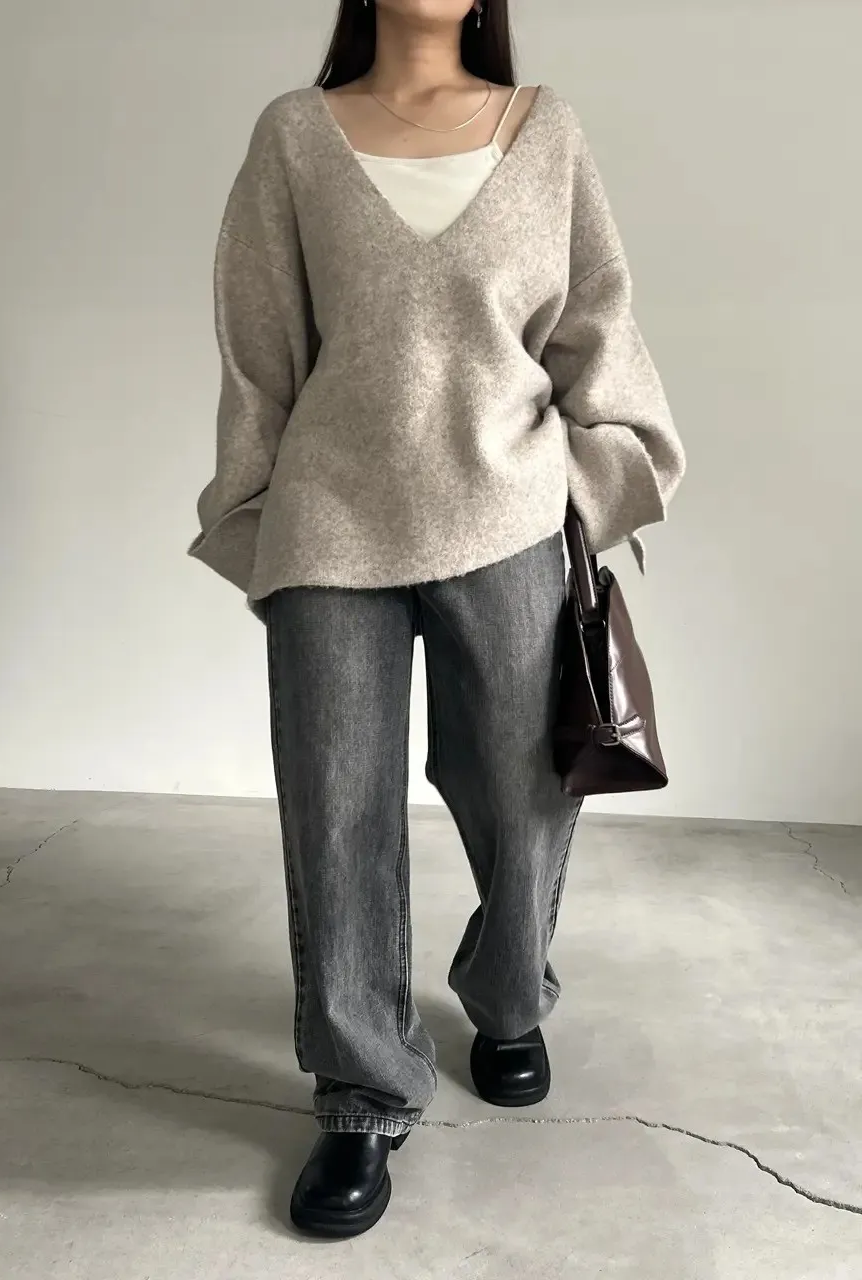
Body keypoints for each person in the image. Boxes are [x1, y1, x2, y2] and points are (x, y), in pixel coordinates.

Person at [189, 0, 685, 1239]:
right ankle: (362, 1090)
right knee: (336, 809)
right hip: (332, 521)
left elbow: (597, 324)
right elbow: (260, 348)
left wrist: (593, 482)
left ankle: (507, 994)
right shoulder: (295, 135)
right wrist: (254, 516)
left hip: (506, 512)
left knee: (522, 790)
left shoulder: (546, 131)